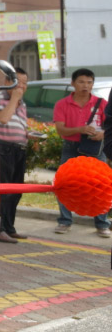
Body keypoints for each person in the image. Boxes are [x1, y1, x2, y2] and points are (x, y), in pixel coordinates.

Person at [51, 68, 110, 237]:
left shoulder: (102, 103)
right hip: (71, 147)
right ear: (73, 83)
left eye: (89, 82)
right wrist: (80, 129)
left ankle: (102, 223)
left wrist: (103, 134)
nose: (86, 85)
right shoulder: (62, 104)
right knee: (63, 184)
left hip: (96, 148)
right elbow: (60, 129)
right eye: (81, 82)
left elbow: (109, 126)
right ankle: (64, 221)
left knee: (101, 185)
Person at [0, 66, 30, 243]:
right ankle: (0, 229)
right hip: (2, 148)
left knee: (16, 191)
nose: (21, 87)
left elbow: (19, 124)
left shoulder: (22, 104)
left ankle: (10, 226)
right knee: (3, 191)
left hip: (18, 149)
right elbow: (3, 118)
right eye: (17, 82)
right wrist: (14, 98)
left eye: (24, 83)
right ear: (7, 82)